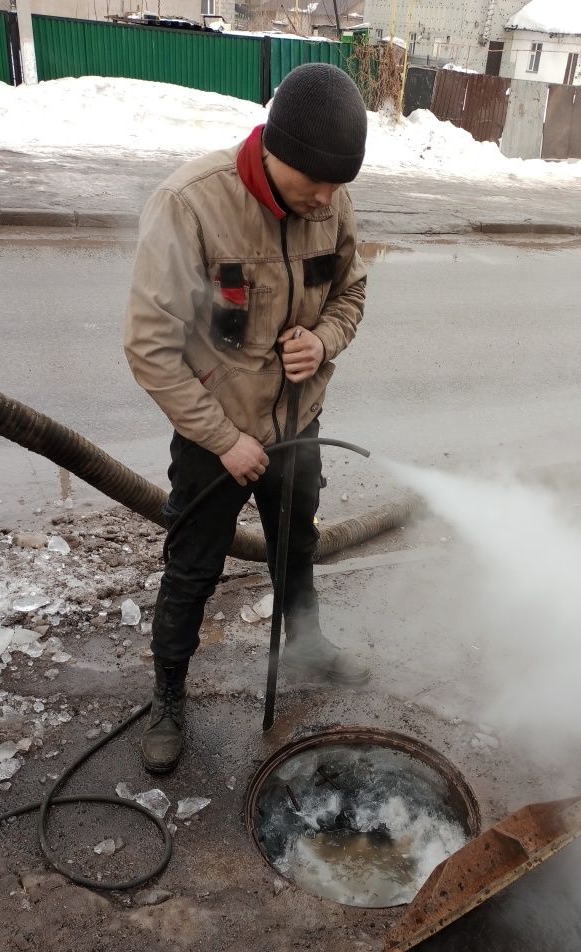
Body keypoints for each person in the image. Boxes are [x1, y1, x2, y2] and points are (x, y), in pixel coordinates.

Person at [124, 64, 371, 774]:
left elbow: (351, 293)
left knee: (297, 545)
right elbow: (149, 347)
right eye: (313, 184)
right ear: (274, 149)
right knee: (193, 569)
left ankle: (309, 645)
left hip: (300, 423)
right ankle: (169, 691)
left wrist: (323, 338)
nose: (326, 199)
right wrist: (225, 439)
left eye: (337, 186)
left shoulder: (332, 200)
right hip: (215, 433)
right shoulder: (190, 205)